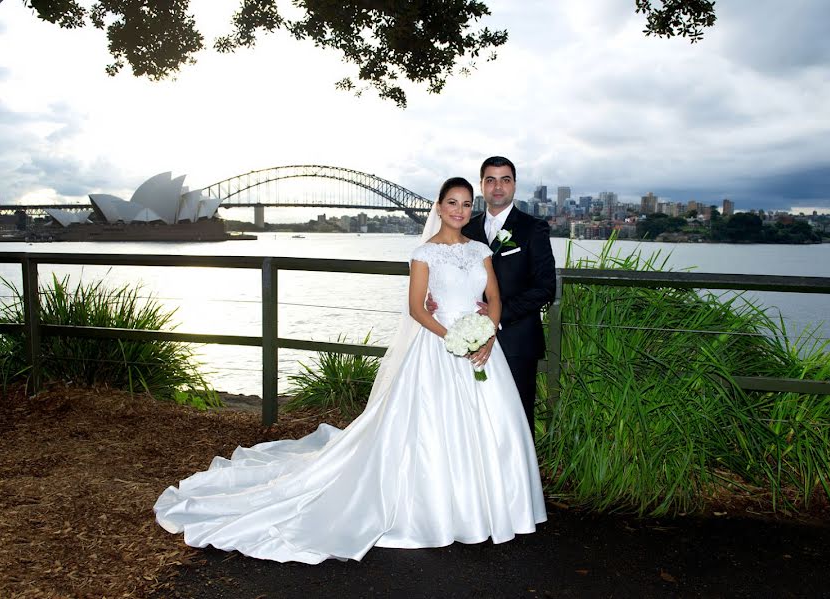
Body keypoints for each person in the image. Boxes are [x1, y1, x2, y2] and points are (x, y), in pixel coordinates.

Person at [153, 177, 547, 564]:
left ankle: (488, 507)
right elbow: (415, 308)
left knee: (491, 428)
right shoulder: (423, 252)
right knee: (430, 429)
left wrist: (485, 336)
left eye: (465, 204)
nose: (460, 211)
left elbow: (493, 297)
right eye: (452, 203)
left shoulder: (480, 249)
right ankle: (436, 511)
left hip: (481, 348)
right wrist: (451, 338)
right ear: (439, 207)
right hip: (439, 345)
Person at [430, 157, 556, 434]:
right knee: (470, 419)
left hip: (516, 340)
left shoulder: (533, 228)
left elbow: (546, 287)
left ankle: (520, 477)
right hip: (466, 341)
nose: (498, 187)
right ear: (482, 186)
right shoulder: (465, 228)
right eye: (490, 180)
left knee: (517, 420)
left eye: (505, 180)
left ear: (514, 186)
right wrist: (434, 301)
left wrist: (496, 317)